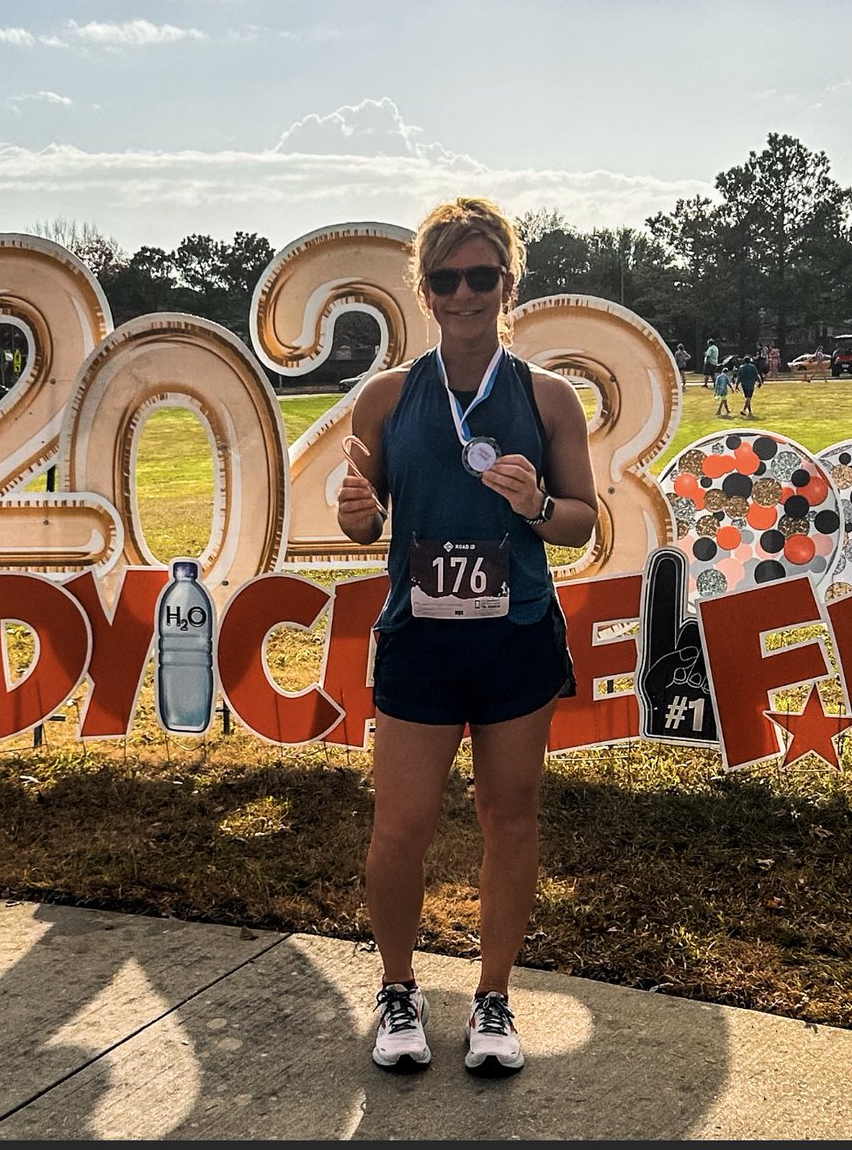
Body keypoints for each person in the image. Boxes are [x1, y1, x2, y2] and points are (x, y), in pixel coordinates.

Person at [336, 197, 598, 1076]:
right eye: (445, 278)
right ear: (425, 289)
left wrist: (533, 503)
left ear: (507, 284)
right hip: (420, 638)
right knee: (399, 828)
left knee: (509, 819)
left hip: (515, 636)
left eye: (480, 276)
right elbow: (365, 527)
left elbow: (580, 524)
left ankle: (493, 998)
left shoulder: (548, 397)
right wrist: (357, 517)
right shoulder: (385, 397)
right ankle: (399, 991)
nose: (463, 293)